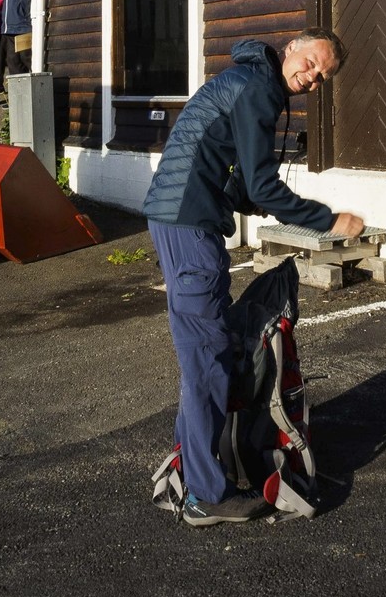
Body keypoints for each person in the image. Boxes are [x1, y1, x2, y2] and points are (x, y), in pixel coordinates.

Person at [144, 28, 364, 528]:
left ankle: (196, 469)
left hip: (184, 217)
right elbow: (261, 182)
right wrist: (327, 219)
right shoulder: (258, 88)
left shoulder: (250, 81)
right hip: (188, 221)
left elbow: (243, 182)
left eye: (320, 77)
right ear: (291, 49)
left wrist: (267, 200)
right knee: (209, 358)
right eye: (310, 63)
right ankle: (204, 494)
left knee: (208, 351)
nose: (310, 78)